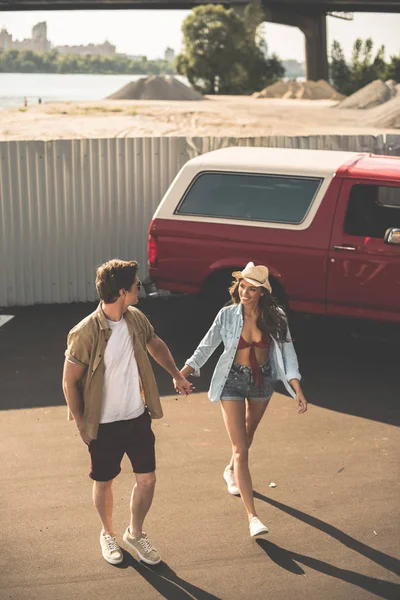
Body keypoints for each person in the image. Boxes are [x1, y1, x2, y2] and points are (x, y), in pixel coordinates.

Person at [62, 259, 193, 566]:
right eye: (135, 285)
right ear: (122, 291)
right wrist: (81, 424)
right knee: (105, 481)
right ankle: (107, 533)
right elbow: (69, 381)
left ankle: (135, 533)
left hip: (136, 417)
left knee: (147, 480)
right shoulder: (85, 332)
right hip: (104, 424)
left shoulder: (135, 318)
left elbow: (155, 344)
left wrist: (176, 374)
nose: (139, 288)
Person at [180, 262, 307, 537]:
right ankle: (253, 517)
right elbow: (206, 346)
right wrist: (183, 373)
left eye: (251, 289)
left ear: (262, 292)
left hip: (263, 381)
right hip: (232, 382)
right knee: (241, 449)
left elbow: (288, 355)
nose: (245, 293)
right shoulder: (226, 315)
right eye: (242, 286)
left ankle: (229, 471)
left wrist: (297, 388)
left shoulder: (276, 317)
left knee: (248, 436)